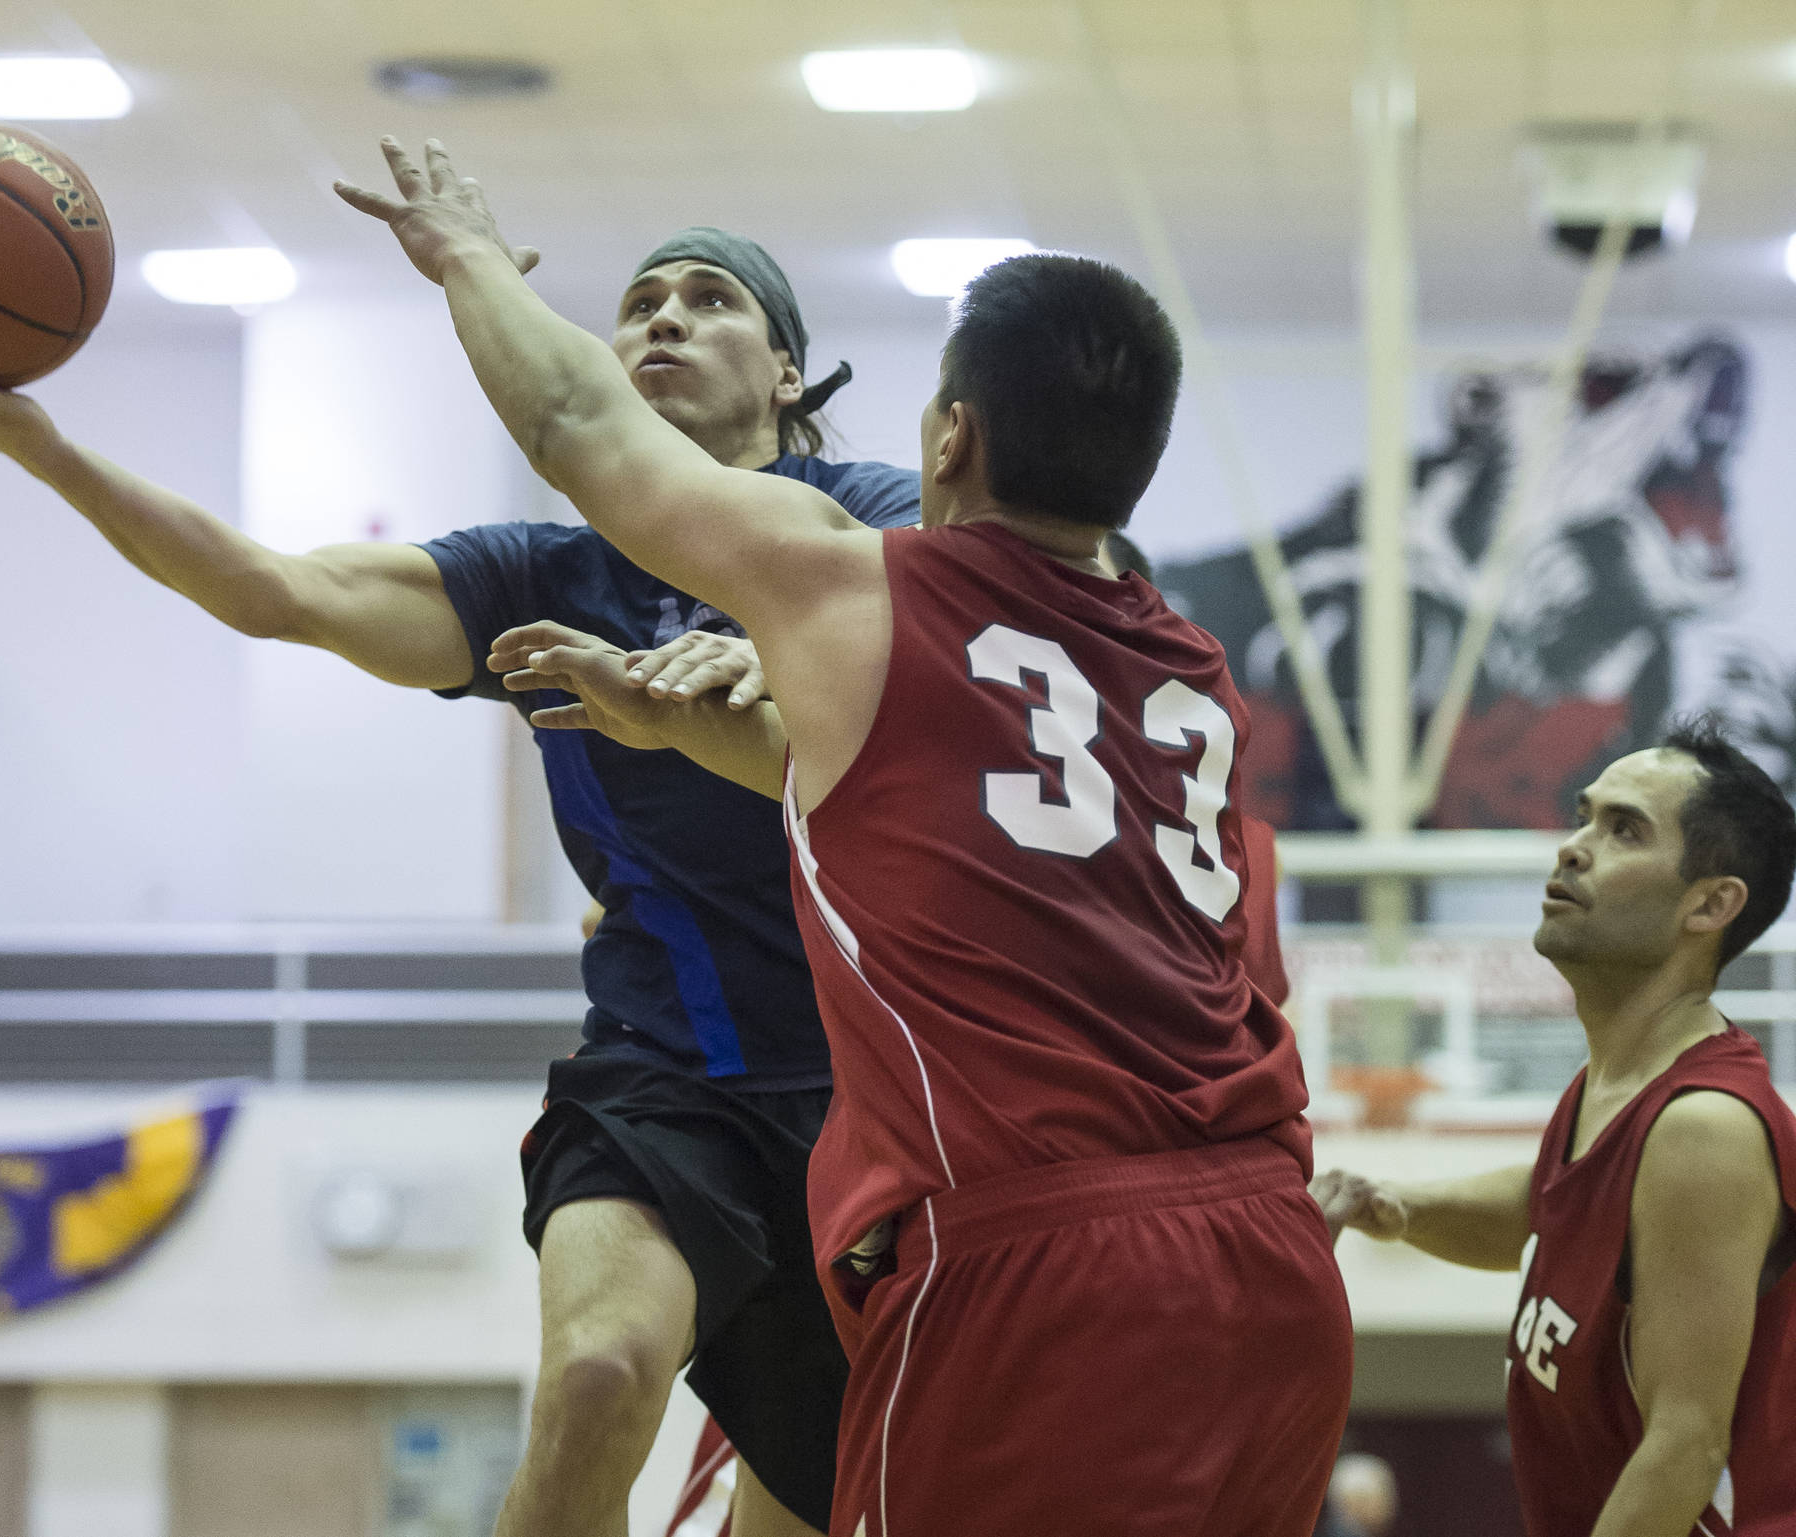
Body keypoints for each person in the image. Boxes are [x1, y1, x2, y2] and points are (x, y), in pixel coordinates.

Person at [339, 135, 1352, 1537]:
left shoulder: (882, 592)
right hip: (1272, 1249)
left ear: (948, 439)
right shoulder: (1189, 672)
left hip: (1038, 1242)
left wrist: (460, 254)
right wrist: (672, 727)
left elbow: (583, 428)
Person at [0, 226, 922, 1537]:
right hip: (661, 1072)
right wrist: (42, 445)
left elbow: (908, 630)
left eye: (711, 302)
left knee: (803, 1508)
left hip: (869, 1097)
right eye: (639, 300)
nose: (664, 319)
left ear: (790, 374)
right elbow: (274, 589)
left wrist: (783, 660)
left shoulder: (878, 518)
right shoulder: (545, 576)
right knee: (598, 1373)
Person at [1315, 721, 1796, 1537]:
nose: (1574, 847)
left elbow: (1684, 1445)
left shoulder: (1703, 1127)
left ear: (1710, 903)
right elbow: (1556, 1207)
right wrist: (1399, 1204)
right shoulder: (1612, 1089)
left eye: (1624, 830)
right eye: (1585, 816)